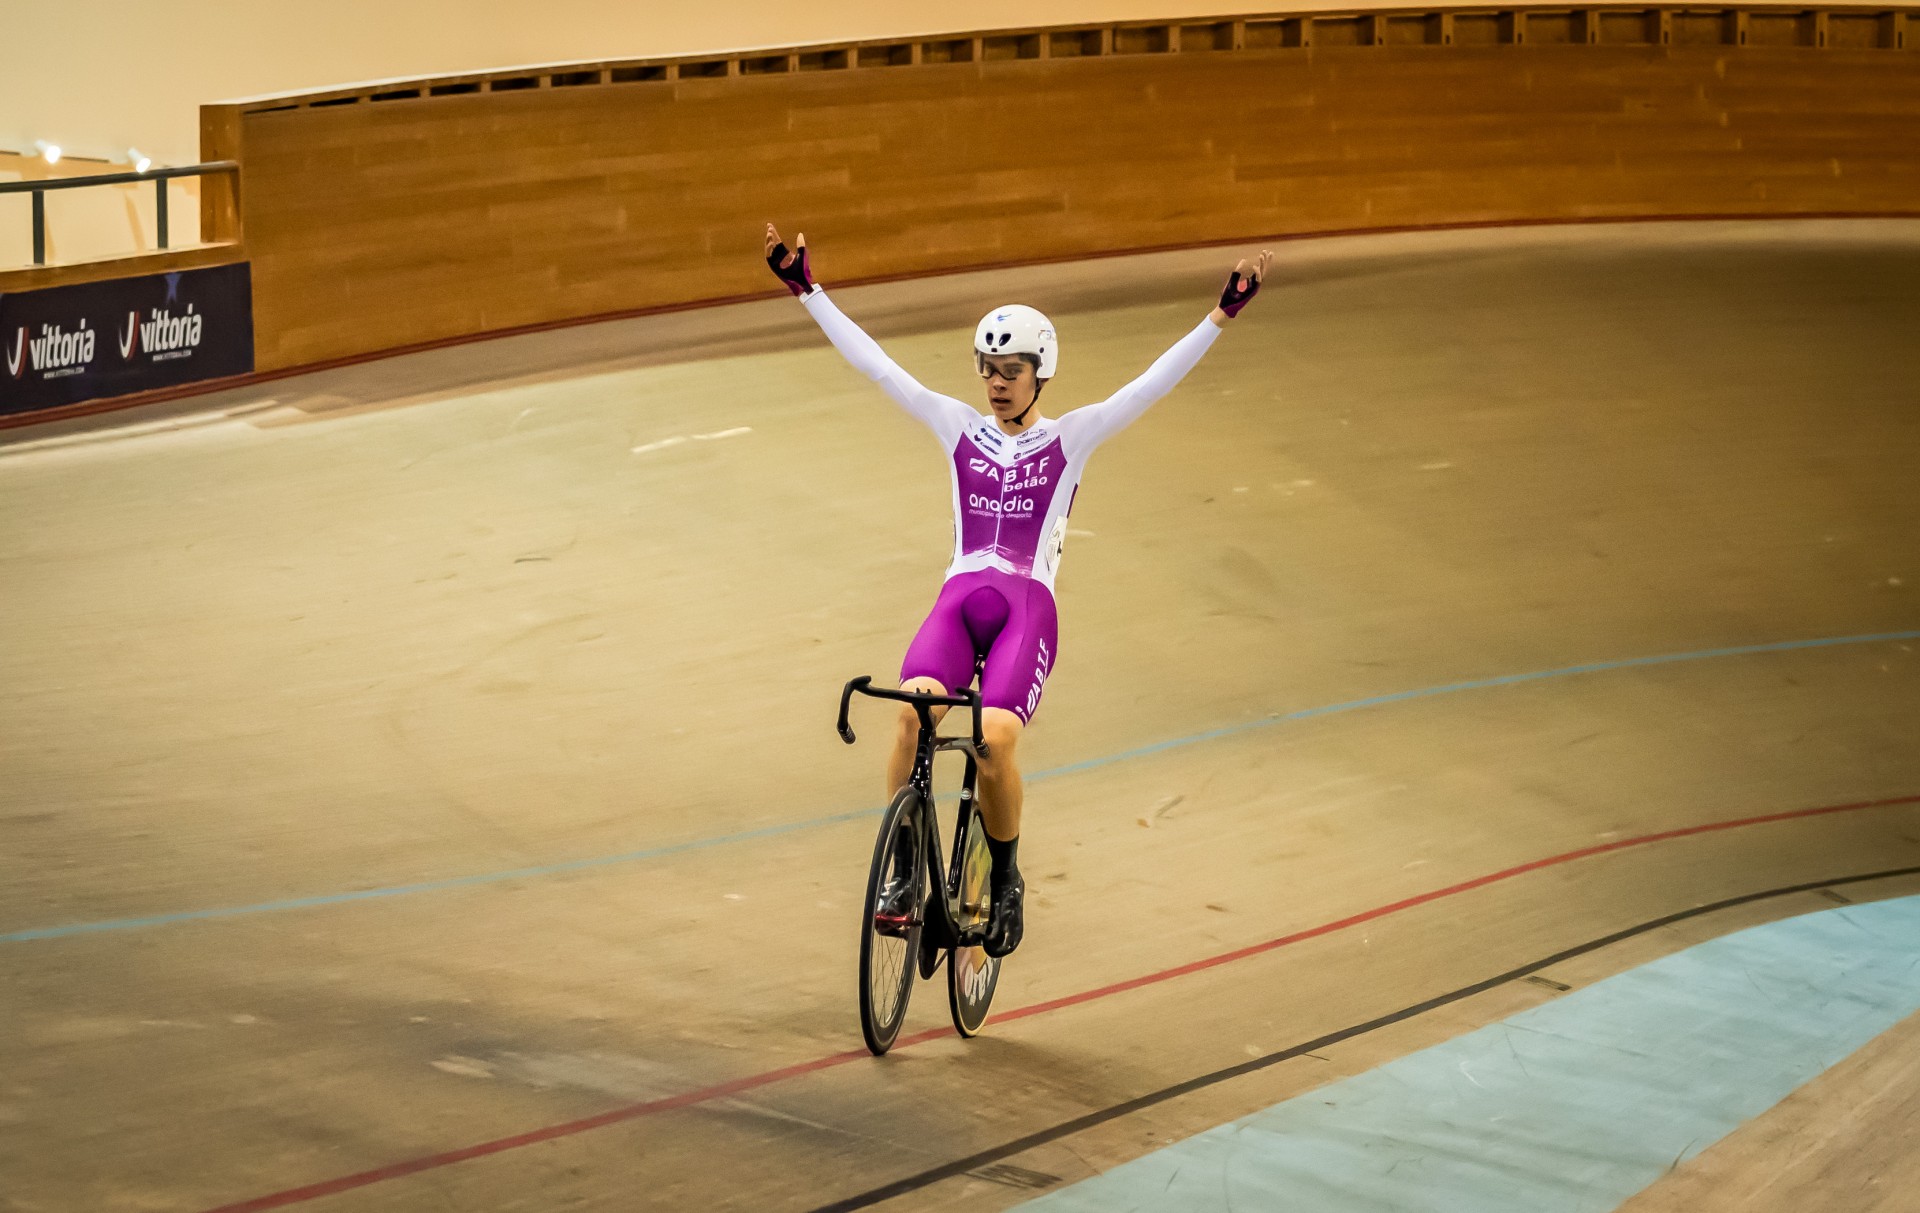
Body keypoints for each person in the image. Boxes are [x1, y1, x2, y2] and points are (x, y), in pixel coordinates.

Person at [765, 223, 1272, 957]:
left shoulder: (1072, 438)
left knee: (995, 743)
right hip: (960, 598)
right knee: (912, 715)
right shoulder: (957, 428)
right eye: (987, 368)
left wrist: (1221, 314)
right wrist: (806, 287)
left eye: (1011, 369)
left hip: (1025, 608)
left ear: (1042, 372)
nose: (996, 382)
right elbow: (877, 366)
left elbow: (1151, 383)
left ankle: (1005, 880)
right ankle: (904, 871)